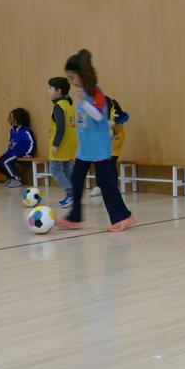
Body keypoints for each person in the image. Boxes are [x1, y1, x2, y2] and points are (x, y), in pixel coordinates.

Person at [54, 50, 135, 232]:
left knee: (105, 182)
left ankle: (124, 216)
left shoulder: (95, 91)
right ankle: (74, 218)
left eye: (72, 77)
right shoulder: (82, 92)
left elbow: (98, 115)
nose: (71, 82)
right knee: (76, 178)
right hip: (85, 149)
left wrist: (84, 103)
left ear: (82, 75)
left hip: (99, 148)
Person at [47, 77, 78, 209]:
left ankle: (70, 193)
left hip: (61, 144)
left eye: (50, 88)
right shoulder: (68, 104)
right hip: (71, 143)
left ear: (58, 91)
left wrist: (55, 144)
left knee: (54, 169)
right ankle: (74, 194)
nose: (48, 90)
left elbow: (61, 128)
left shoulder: (58, 106)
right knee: (67, 170)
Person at [91, 97, 129, 197]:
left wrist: (115, 122)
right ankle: (100, 186)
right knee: (98, 162)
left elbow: (125, 116)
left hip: (115, 141)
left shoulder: (114, 112)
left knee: (111, 163)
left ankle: (114, 186)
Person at [0, 108, 36, 188]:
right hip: (11, 152)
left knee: (5, 162)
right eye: (11, 118)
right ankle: (10, 177)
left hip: (19, 152)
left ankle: (16, 179)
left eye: (13, 118)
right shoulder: (12, 130)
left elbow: (32, 143)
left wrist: (30, 153)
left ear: (20, 118)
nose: (11, 120)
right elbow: (11, 141)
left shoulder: (26, 131)